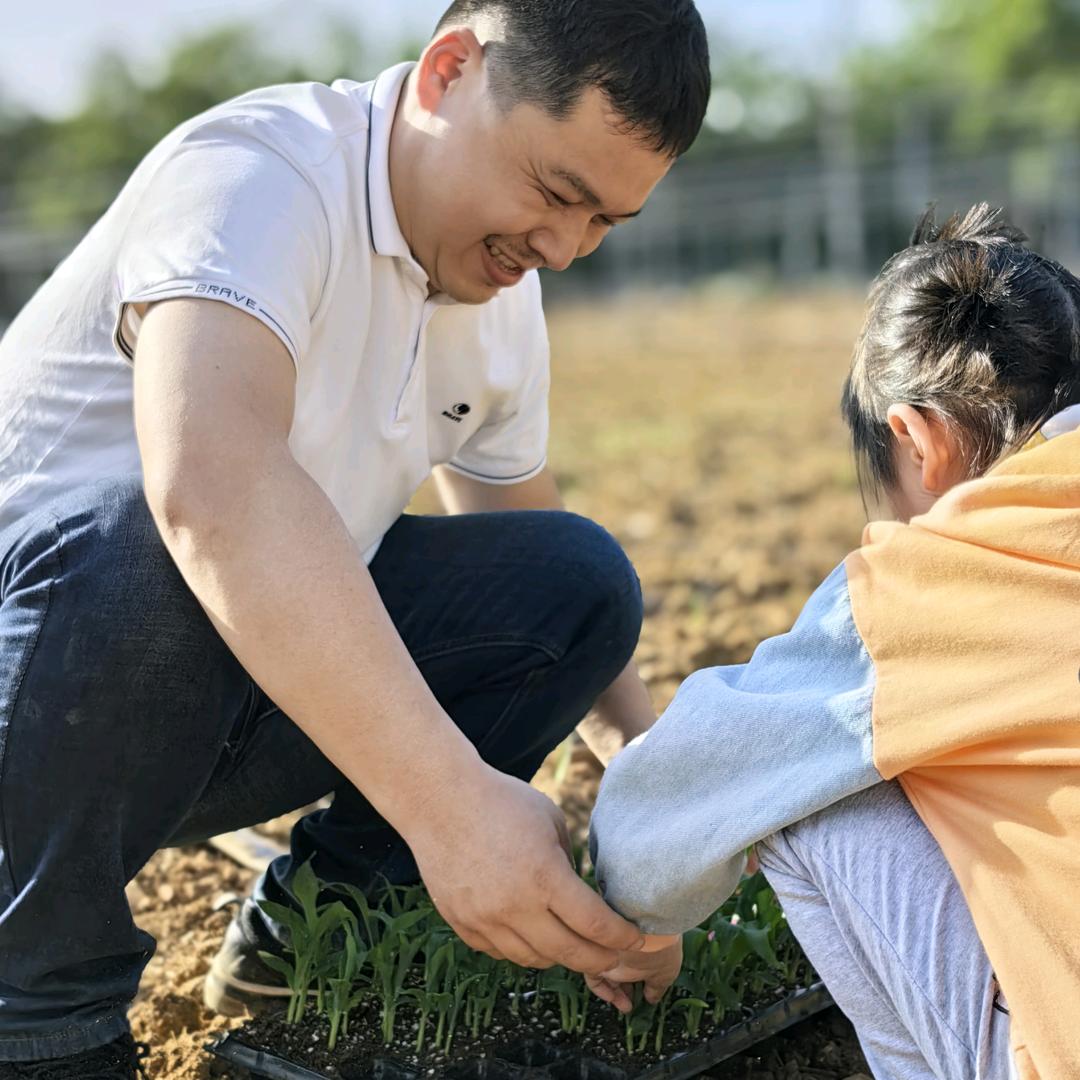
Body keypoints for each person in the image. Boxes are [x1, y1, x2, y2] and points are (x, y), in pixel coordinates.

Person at [0, 2, 711, 1076]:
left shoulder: (495, 288)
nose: (564, 249)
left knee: (579, 583)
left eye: (605, 222)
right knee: (150, 545)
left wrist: (653, 793)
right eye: (558, 192)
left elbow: (539, 569)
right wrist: (455, 812)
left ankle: (310, 940)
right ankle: (37, 1017)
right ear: (449, 71)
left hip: (221, 697)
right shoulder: (258, 177)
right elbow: (211, 487)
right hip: (49, 697)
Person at [590, 205, 1080, 1080]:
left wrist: (643, 927)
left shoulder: (928, 582)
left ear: (915, 440)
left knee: (810, 783)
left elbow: (647, 836)